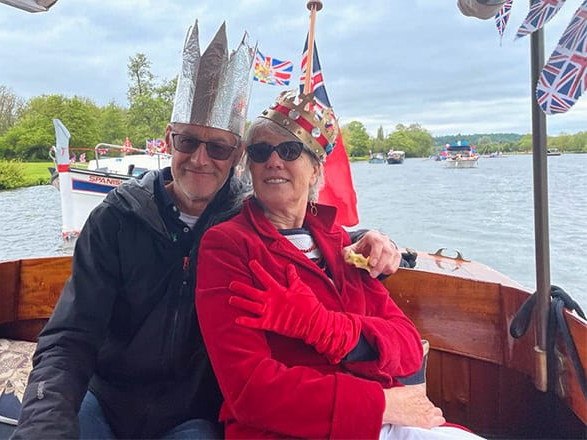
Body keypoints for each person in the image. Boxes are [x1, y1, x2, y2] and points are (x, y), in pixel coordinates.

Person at [12, 24, 400, 439]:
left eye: (217, 147)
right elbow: (71, 336)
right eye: (187, 141)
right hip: (108, 399)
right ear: (169, 140)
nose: (200, 159)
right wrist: (43, 424)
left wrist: (375, 238)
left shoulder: (247, 222)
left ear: (235, 156)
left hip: (196, 412)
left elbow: (306, 230)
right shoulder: (115, 219)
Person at [195, 90, 484, 439]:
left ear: (315, 169)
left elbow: (407, 347)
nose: (273, 161)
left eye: (289, 150)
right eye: (260, 152)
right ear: (250, 167)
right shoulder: (228, 246)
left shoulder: (343, 246)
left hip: (390, 420)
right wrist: (382, 404)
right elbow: (250, 392)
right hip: (296, 430)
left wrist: (327, 328)